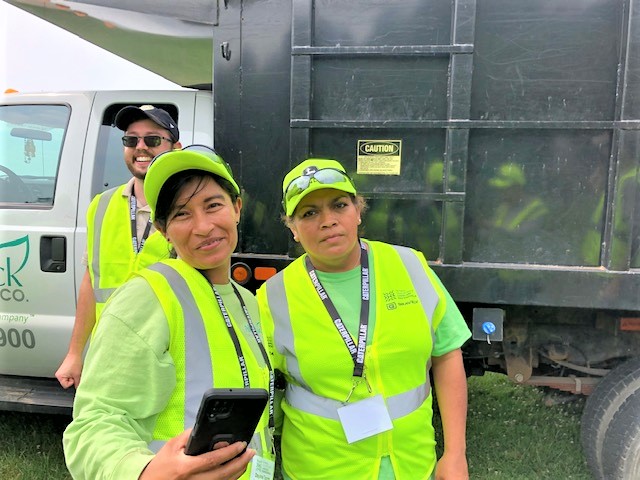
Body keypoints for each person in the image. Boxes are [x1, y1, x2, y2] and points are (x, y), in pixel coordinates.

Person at [63, 145, 275, 480]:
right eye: (181, 214)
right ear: (163, 230)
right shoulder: (148, 295)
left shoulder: (246, 300)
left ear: (237, 207)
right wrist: (145, 472)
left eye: (213, 205)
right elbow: (94, 423)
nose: (203, 227)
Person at [256, 158, 472, 480]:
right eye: (309, 213)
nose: (328, 221)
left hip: (411, 465)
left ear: (358, 211)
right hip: (320, 470)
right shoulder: (273, 297)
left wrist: (455, 453)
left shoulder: (410, 266)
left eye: (339, 205)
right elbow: (256, 391)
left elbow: (447, 354)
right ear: (293, 229)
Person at [55, 105, 181, 389]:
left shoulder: (186, 207)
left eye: (152, 140)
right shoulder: (101, 206)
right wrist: (75, 353)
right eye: (131, 139)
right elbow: (92, 281)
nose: (140, 147)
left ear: (176, 148)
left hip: (168, 354)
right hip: (110, 354)